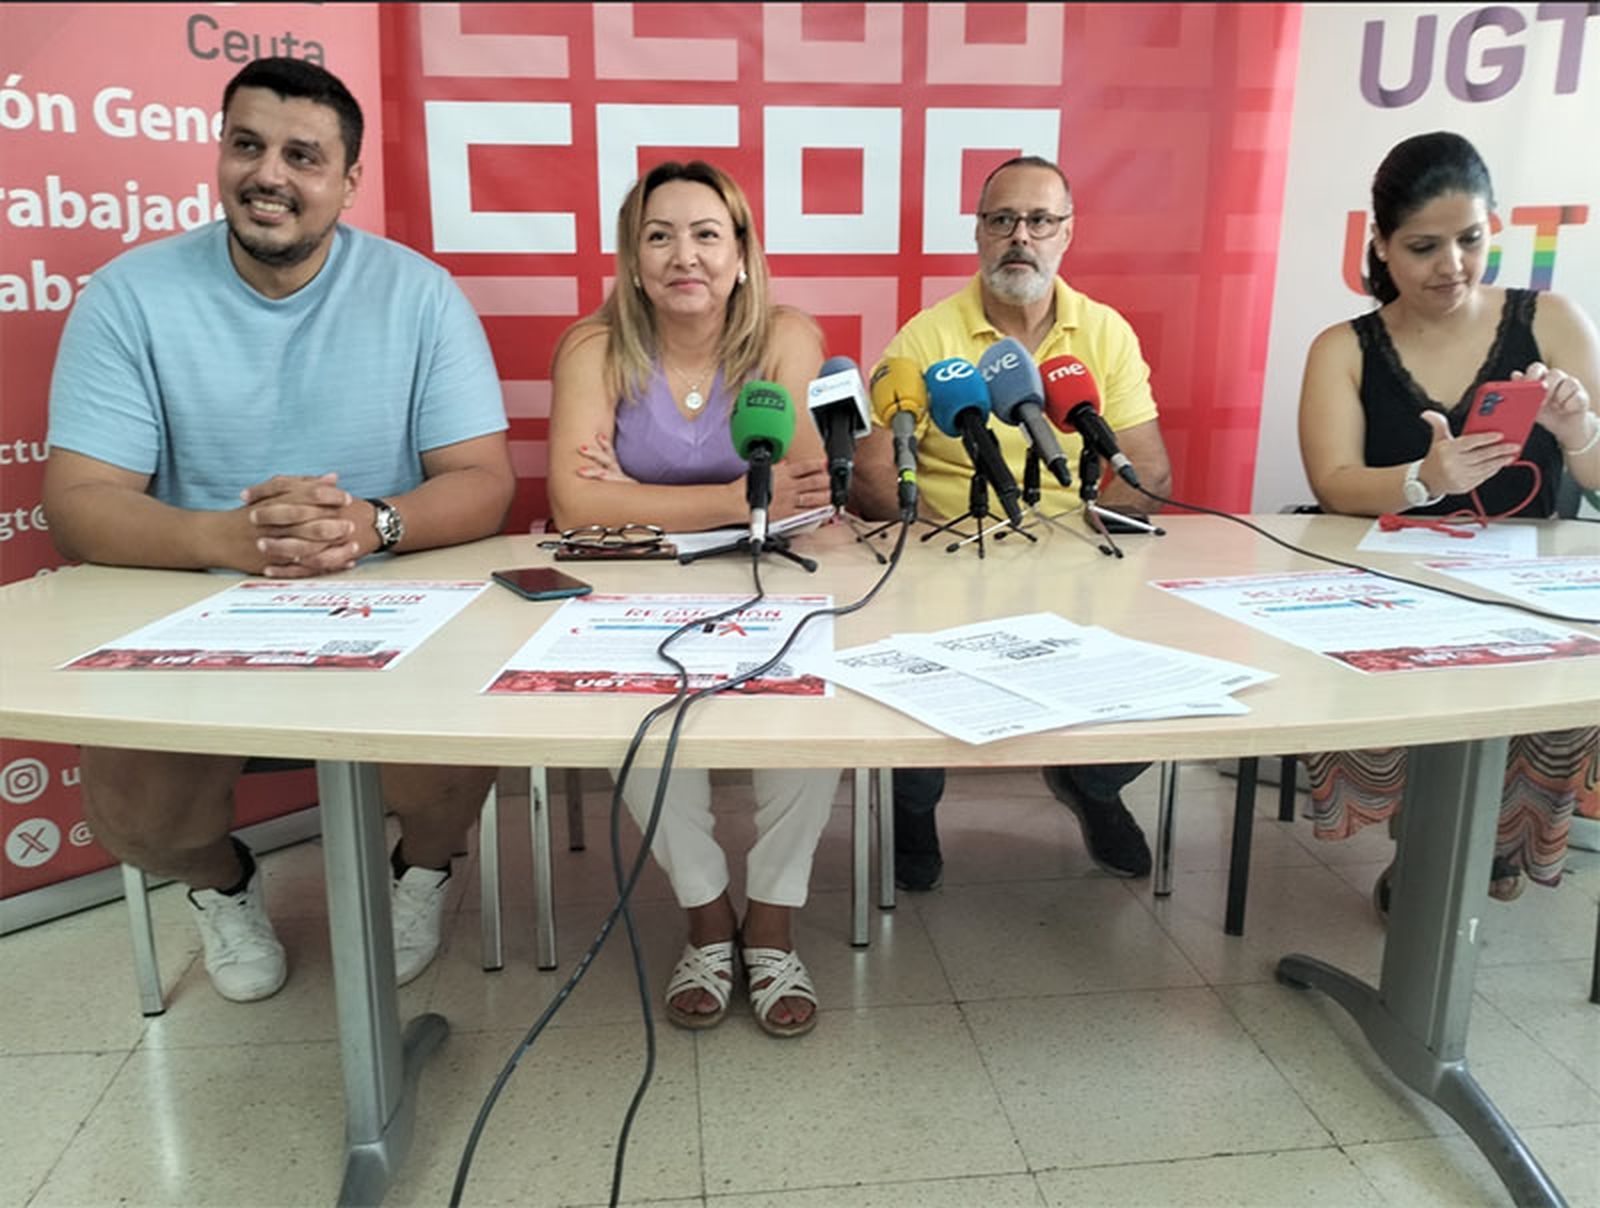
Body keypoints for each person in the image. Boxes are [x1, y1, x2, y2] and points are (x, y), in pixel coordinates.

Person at [42, 58, 515, 1002]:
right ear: (220, 154)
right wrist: (225, 539)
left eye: (304, 156)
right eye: (248, 145)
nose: (270, 175)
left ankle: (420, 872)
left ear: (348, 181)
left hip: (385, 594)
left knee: (463, 749)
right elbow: (79, 498)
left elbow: (483, 482)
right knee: (133, 810)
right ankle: (225, 883)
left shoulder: (420, 294)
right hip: (194, 598)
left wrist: (371, 525)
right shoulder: (131, 296)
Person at [546, 160, 840, 1038]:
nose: (686, 255)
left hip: (771, 574)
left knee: (809, 710)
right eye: (660, 235)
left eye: (708, 234)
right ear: (633, 260)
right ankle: (708, 914)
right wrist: (726, 501)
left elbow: (794, 491)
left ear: (742, 254)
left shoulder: (788, 337)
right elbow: (575, 504)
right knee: (638, 719)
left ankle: (775, 920)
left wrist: (633, 493)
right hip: (632, 589)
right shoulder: (594, 348)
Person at [852, 155, 1175, 892]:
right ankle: (914, 806)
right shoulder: (924, 340)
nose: (1020, 237)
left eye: (1039, 221)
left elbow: (1148, 470)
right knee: (904, 658)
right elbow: (873, 472)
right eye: (1003, 221)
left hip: (1073, 557)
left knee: (1162, 661)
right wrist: (942, 544)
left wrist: (1091, 546)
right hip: (948, 557)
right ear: (978, 234)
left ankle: (1094, 784)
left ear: (1067, 234)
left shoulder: (1105, 334)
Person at [1297, 130, 1600, 906]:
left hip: (1530, 591)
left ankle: (1490, 838)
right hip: (1395, 580)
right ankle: (1430, 841)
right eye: (1424, 247)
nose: (1452, 267)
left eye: (1470, 239)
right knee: (1390, 663)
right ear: (1382, 248)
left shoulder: (1553, 320)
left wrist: (1581, 436)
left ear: (1494, 225)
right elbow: (1333, 485)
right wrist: (1420, 479)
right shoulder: (1345, 346)